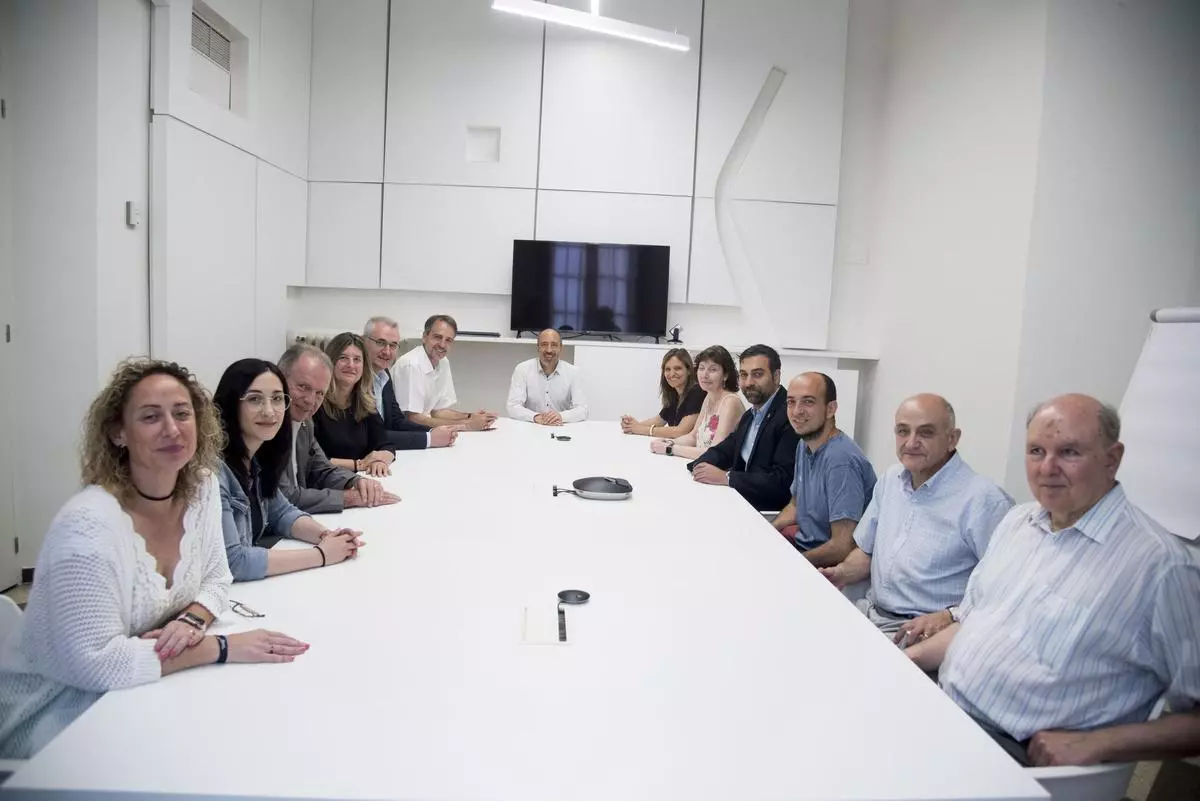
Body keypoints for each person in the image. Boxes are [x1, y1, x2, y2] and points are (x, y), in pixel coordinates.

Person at [0, 359, 309, 758]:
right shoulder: (87, 526)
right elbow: (95, 664)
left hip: (149, 686)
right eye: (150, 417)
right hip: (61, 716)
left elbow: (217, 577)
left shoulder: (200, 488)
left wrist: (192, 619)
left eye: (182, 414)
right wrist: (219, 647)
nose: (172, 429)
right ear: (118, 432)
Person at [904, 395, 1200, 767]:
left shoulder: (1162, 567)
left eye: (1069, 452)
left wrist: (1101, 743)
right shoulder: (1018, 523)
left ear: (1112, 458)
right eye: (1036, 451)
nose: (1047, 468)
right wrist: (903, 661)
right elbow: (972, 623)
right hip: (945, 707)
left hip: (1015, 752)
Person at [819, 394, 1012, 638]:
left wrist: (951, 616)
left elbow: (1006, 587)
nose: (911, 443)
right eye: (903, 431)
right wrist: (841, 572)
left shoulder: (984, 501)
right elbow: (867, 552)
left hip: (923, 633)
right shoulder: (891, 480)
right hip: (869, 612)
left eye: (925, 433)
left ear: (952, 439)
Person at [214, 358, 364, 582]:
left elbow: (282, 512)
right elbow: (233, 562)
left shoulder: (256, 459)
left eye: (276, 399)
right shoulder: (214, 472)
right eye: (254, 399)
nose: (269, 411)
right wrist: (321, 554)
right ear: (231, 404)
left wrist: (327, 535)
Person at [277, 343, 399, 514]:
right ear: (279, 380)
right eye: (303, 387)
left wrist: (356, 482)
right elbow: (285, 497)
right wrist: (347, 498)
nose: (310, 401)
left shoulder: (305, 423)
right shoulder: (268, 428)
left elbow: (322, 469)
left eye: (319, 393)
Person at [770, 372, 876, 566]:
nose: (796, 411)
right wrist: (766, 530)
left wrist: (791, 563)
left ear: (831, 409)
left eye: (808, 402)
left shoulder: (841, 461)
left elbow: (842, 546)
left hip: (826, 564)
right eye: (791, 402)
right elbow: (795, 506)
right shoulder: (804, 444)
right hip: (803, 548)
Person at [687, 345, 798, 511]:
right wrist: (698, 466)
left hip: (766, 511)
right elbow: (725, 450)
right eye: (744, 375)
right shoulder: (750, 415)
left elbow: (781, 482)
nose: (748, 383)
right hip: (741, 501)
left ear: (776, 376)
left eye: (757, 374)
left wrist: (727, 477)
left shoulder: (790, 416)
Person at [361, 316, 457, 450]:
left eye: (393, 345)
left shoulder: (384, 374)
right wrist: (429, 439)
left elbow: (397, 421)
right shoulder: (356, 378)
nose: (387, 351)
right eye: (380, 342)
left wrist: (432, 431)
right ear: (364, 341)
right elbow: (369, 435)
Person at [393, 314, 498, 431]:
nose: (442, 345)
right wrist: (467, 425)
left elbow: (438, 411)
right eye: (437, 337)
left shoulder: (443, 362)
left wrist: (471, 416)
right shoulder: (411, 364)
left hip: (422, 431)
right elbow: (413, 419)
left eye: (448, 340)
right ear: (424, 337)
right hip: (402, 432)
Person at [314, 333, 397, 476]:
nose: (351, 365)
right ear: (330, 362)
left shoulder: (365, 403)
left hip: (359, 478)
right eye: (343, 358)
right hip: (324, 480)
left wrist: (380, 460)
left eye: (357, 359)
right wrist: (358, 464)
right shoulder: (316, 403)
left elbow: (385, 444)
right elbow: (312, 460)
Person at [650, 345, 744, 460]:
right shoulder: (709, 396)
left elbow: (715, 453)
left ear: (725, 375)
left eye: (713, 370)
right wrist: (668, 442)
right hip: (700, 463)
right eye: (702, 368)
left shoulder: (730, 402)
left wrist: (670, 448)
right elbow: (693, 437)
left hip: (717, 468)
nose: (705, 375)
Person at [506, 328, 588, 425]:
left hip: (561, 427)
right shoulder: (522, 369)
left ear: (561, 348)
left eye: (554, 345)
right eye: (544, 344)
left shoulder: (574, 372)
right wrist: (535, 417)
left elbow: (582, 410)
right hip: (532, 426)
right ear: (538, 347)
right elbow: (513, 406)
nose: (549, 350)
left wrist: (561, 416)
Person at [621, 348, 704, 438]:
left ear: (689, 370)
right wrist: (632, 425)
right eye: (667, 369)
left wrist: (638, 429)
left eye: (677, 368)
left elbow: (681, 431)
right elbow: (659, 420)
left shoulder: (697, 392)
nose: (672, 373)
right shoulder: (674, 394)